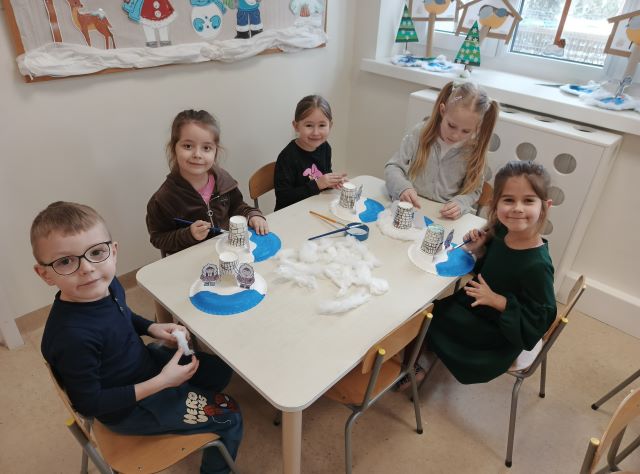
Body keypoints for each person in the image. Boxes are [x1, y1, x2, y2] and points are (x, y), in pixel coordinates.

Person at [33, 202, 242, 474]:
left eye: (96, 252)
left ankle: (186, 396)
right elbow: (89, 404)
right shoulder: (71, 338)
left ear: (113, 252)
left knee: (219, 370)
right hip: (130, 408)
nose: (87, 268)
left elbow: (123, 315)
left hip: (143, 364)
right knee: (230, 415)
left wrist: (152, 328)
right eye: (65, 261)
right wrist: (163, 382)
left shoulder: (105, 284)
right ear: (44, 274)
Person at [426, 160, 557, 384]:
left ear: (545, 206)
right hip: (476, 305)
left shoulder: (538, 265)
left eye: (528, 200)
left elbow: (541, 319)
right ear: (495, 204)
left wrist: (498, 301)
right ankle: (422, 353)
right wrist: (479, 250)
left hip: (496, 333)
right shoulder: (503, 231)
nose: (517, 208)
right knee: (426, 312)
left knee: (426, 319)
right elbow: (493, 269)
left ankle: (417, 365)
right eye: (508, 200)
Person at [147, 109, 268, 322]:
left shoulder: (223, 180)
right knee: (201, 316)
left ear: (215, 151)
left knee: (244, 304)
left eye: (206, 148)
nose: (197, 154)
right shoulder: (163, 198)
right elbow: (158, 238)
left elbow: (237, 206)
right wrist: (188, 234)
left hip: (226, 258)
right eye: (188, 146)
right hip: (190, 269)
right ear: (173, 148)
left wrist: (252, 214)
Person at [385, 81, 499, 219]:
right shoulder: (419, 133)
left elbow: (473, 191)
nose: (455, 135)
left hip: (442, 217)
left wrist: (460, 203)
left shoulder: (474, 151)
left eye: (466, 131)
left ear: (478, 127)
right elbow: (393, 167)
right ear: (442, 111)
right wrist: (403, 187)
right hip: (411, 208)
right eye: (451, 125)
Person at [274, 95, 346, 211]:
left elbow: (324, 177)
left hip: (315, 207)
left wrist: (331, 182)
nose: (316, 132)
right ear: (296, 126)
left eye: (322, 125)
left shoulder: (325, 148)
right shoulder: (287, 157)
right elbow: (284, 198)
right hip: (291, 213)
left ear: (330, 125)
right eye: (309, 125)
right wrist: (317, 184)